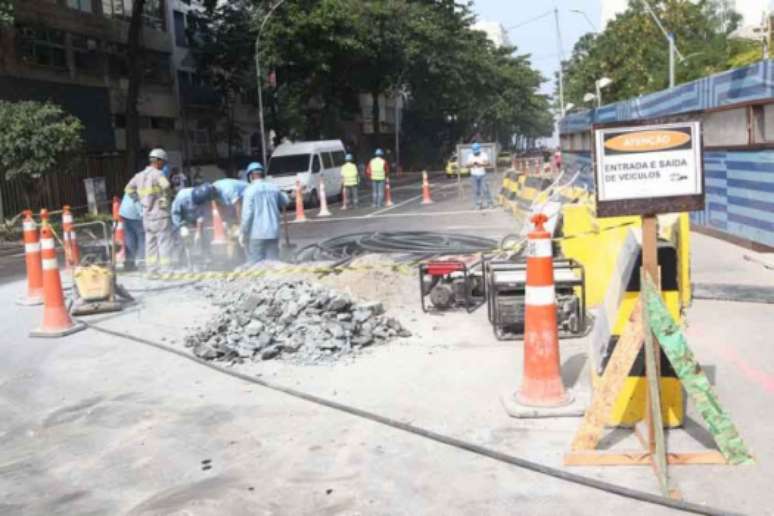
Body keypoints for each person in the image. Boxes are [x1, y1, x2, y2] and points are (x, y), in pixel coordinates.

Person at [125, 148, 173, 273]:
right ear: (158, 161)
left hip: (146, 216)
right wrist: (165, 197)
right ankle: (166, 269)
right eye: (163, 162)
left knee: (150, 243)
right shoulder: (158, 174)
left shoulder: (139, 175)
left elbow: (128, 189)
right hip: (160, 215)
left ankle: (152, 269)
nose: (163, 165)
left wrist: (139, 200)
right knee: (163, 241)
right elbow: (166, 186)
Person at [240, 162, 289, 264]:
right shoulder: (274, 188)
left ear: (250, 176)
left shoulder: (249, 191)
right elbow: (285, 201)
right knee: (273, 264)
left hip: (256, 234)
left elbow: (247, 215)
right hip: (273, 232)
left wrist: (243, 233)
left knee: (255, 265)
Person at [171, 183, 215, 263]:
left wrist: (198, 232)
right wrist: (181, 226)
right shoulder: (182, 196)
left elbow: (201, 217)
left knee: (203, 235)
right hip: (181, 217)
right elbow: (175, 213)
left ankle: (207, 255)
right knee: (180, 237)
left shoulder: (203, 200)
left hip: (194, 217)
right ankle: (180, 260)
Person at [118, 192, 144, 271]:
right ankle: (143, 263)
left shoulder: (133, 182)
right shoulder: (146, 182)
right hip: (136, 213)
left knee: (130, 238)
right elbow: (136, 200)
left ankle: (129, 264)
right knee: (142, 239)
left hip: (125, 212)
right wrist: (141, 213)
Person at [465, 142, 493, 209]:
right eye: (475, 151)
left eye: (477, 151)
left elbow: (488, 163)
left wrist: (481, 164)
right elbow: (467, 165)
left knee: (485, 189)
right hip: (474, 175)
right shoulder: (470, 155)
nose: (476, 153)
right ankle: (478, 204)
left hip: (482, 174)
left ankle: (490, 203)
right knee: (476, 190)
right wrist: (472, 164)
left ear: (479, 149)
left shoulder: (483, 154)